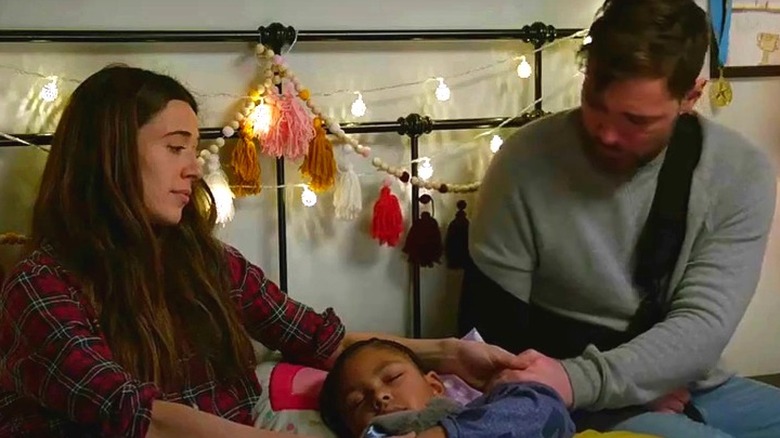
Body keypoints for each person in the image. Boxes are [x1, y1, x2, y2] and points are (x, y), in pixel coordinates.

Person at [0, 65, 524, 438]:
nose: (193, 166)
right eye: (176, 147)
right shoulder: (40, 285)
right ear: (111, 155)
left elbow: (317, 338)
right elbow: (135, 416)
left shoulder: (201, 261)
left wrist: (449, 352)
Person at [458, 0, 780, 437]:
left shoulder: (741, 172)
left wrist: (611, 381)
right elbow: (490, 336)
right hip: (557, 390)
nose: (607, 133)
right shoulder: (525, 162)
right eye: (594, 102)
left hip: (692, 384)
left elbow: (702, 326)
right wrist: (600, 386)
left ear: (691, 97)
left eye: (636, 120)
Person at [319, 338, 576, 438]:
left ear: (435, 386)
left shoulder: (482, 411)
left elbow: (546, 409)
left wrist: (443, 435)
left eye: (393, 377)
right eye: (357, 402)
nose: (379, 396)